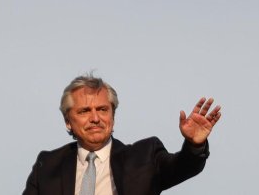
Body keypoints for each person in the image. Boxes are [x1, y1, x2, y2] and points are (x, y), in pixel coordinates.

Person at [23, 74, 222, 195]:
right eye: (84, 111)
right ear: (68, 121)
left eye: (102, 109)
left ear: (113, 116)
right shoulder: (48, 165)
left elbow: (182, 167)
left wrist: (195, 145)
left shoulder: (144, 156)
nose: (95, 118)